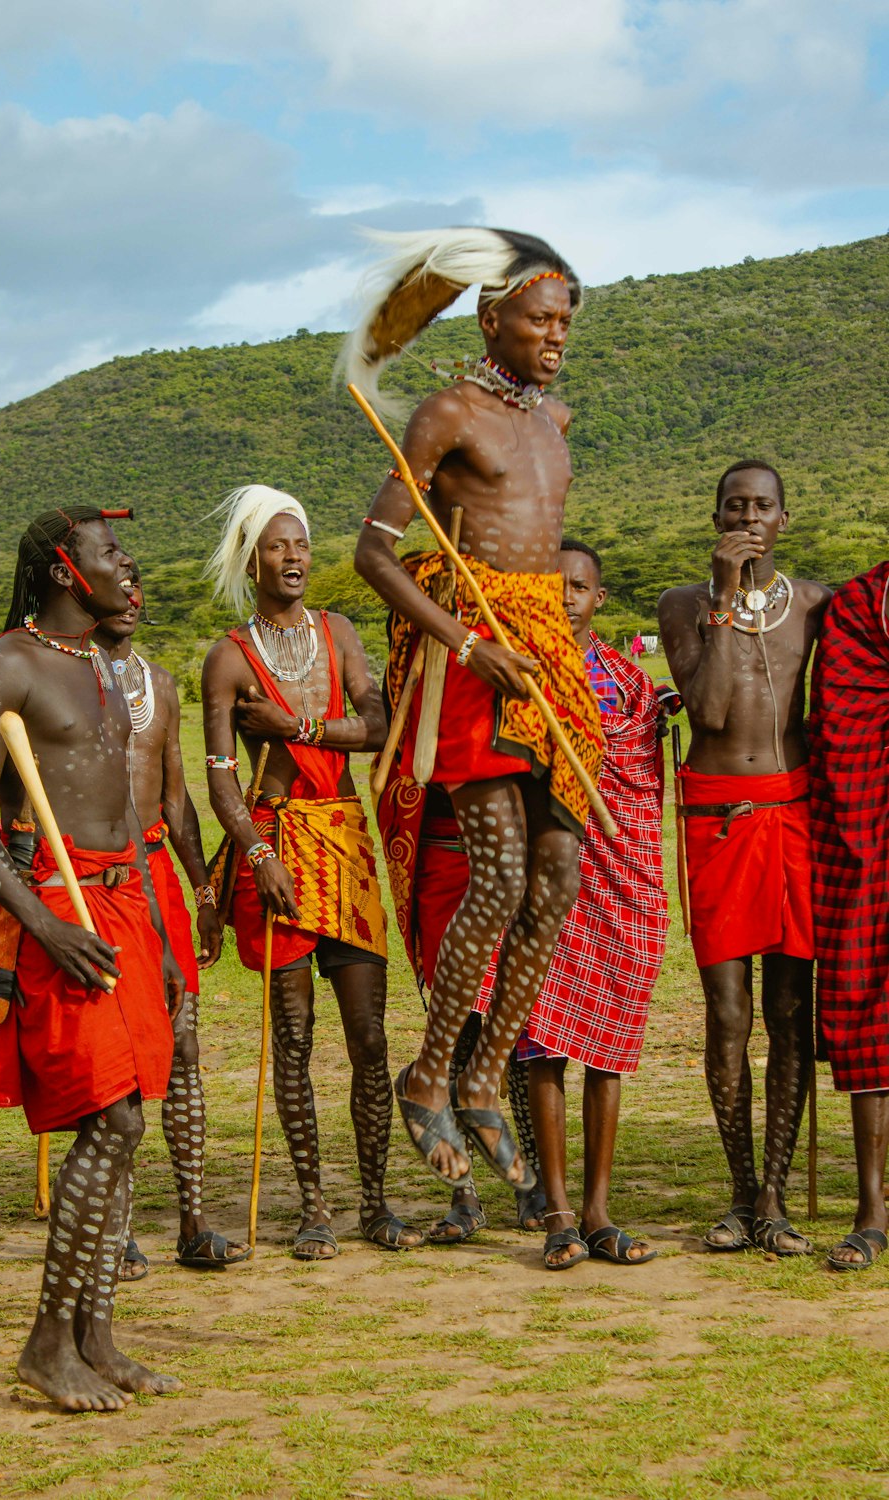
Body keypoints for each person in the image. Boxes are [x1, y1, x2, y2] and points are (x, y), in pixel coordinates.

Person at [348, 226, 604, 1191]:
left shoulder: (556, 422)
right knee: (495, 876)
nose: (554, 335)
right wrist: (467, 642)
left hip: (547, 657)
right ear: (491, 318)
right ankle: (427, 1076)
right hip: (476, 655)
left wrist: (532, 641)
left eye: (565, 322)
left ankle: (486, 1073)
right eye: (540, 318)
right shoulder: (446, 414)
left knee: (559, 875)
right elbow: (374, 553)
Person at [0, 506, 182, 1412]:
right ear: (60, 567)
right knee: (110, 1123)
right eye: (109, 551)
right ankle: (48, 1343)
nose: (127, 564)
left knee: (129, 1122)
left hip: (124, 900)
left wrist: (156, 928)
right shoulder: (4, 665)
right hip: (56, 905)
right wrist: (43, 927)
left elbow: (125, 804)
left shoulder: (100, 665)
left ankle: (96, 1336)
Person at [426, 544, 669, 1267]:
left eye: (581, 588)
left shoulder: (629, 683)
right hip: (548, 878)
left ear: (600, 599)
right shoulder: (515, 672)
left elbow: (641, 792)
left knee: (608, 1053)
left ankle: (598, 1210)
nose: (565, 598)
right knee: (542, 1047)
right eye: (553, 586)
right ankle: (557, 1213)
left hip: (618, 877)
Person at [201, 485, 421, 1259]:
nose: (293, 557)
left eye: (300, 544)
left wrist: (294, 725)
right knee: (293, 1038)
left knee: (369, 1035)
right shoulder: (228, 657)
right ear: (250, 558)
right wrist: (255, 855)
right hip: (274, 848)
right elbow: (221, 774)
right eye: (276, 546)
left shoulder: (340, 633)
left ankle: (376, 1201)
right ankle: (314, 1207)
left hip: (344, 842)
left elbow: (377, 726)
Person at [658, 461, 830, 1256]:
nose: (749, 518)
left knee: (791, 1013)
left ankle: (773, 1195)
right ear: (716, 517)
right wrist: (725, 601)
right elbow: (712, 709)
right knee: (729, 1015)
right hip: (719, 820)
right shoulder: (684, 606)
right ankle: (735, 1192)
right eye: (735, 506)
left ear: (784, 519)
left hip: (795, 817)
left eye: (763, 506)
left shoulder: (819, 607)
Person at [94, 585, 251, 1275]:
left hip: (159, 871)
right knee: (117, 1061)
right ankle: (115, 1228)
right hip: (98, 880)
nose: (129, 602)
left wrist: (204, 888)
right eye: (115, 592)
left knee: (183, 1049)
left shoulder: (159, 682)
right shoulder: (64, 680)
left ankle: (193, 1222)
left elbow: (177, 794)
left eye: (137, 593)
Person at [808, 560, 889, 1271]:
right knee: (867, 1004)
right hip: (865, 829)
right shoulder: (860, 604)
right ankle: (871, 1209)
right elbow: (836, 725)